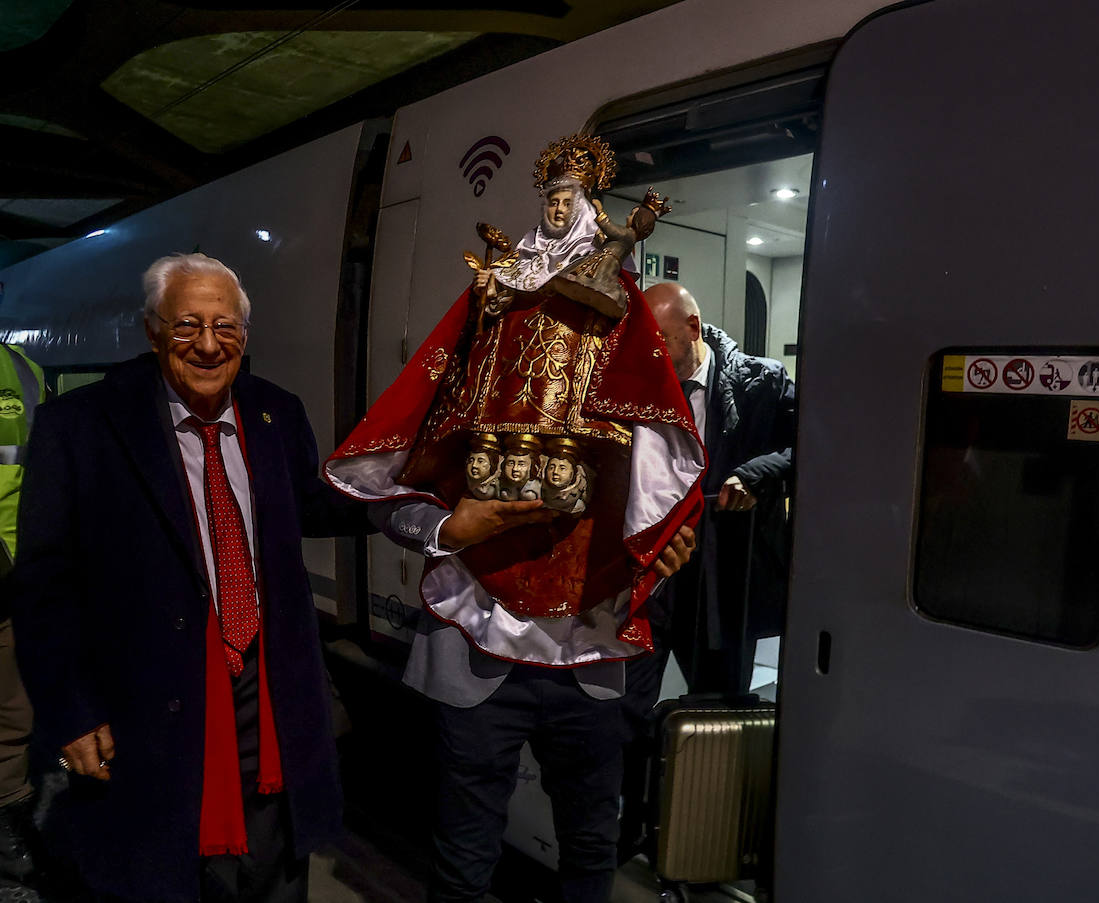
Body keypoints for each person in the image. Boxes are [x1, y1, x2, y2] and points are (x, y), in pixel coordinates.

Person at [326, 134, 702, 903]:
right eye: (552, 197)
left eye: (574, 199)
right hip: (477, 643)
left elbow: (661, 492)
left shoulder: (627, 347)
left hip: (589, 647)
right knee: (464, 856)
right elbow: (398, 476)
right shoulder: (482, 331)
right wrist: (447, 530)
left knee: (590, 846)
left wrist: (662, 543)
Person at [9, 252, 371, 903]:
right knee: (168, 873)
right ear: (153, 331)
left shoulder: (275, 412)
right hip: (147, 707)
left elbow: (311, 505)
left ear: (244, 335)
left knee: (274, 869)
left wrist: (424, 505)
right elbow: (45, 585)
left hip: (265, 691)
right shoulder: (83, 425)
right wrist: (70, 710)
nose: (208, 344)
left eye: (224, 325)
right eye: (187, 325)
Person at [634, 282, 796, 697]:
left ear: (693, 328)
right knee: (627, 708)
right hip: (650, 578)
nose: (650, 354)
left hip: (722, 582)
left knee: (718, 708)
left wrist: (756, 475)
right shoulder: (636, 387)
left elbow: (813, 447)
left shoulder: (762, 384)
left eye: (660, 341)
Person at [0, 344, 45, 893]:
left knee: (13, 714)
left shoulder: (21, 370)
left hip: (12, 574)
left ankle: (9, 837)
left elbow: (42, 470)